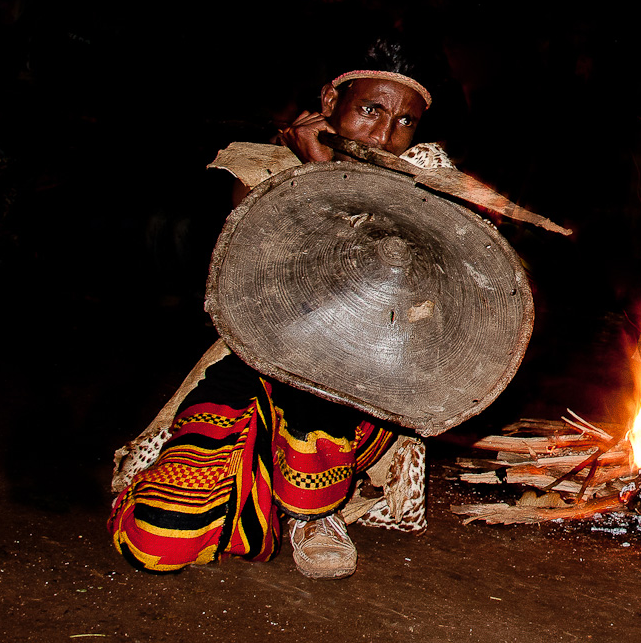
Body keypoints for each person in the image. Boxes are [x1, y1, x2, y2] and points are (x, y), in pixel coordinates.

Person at [109, 37, 447, 579]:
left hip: (363, 387)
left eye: (405, 121)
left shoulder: (426, 178)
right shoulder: (262, 165)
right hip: (254, 367)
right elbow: (257, 283)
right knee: (160, 538)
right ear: (330, 99)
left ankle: (315, 512)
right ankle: (256, 494)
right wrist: (315, 172)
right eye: (369, 110)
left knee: (335, 352)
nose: (385, 136)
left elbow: (405, 302)